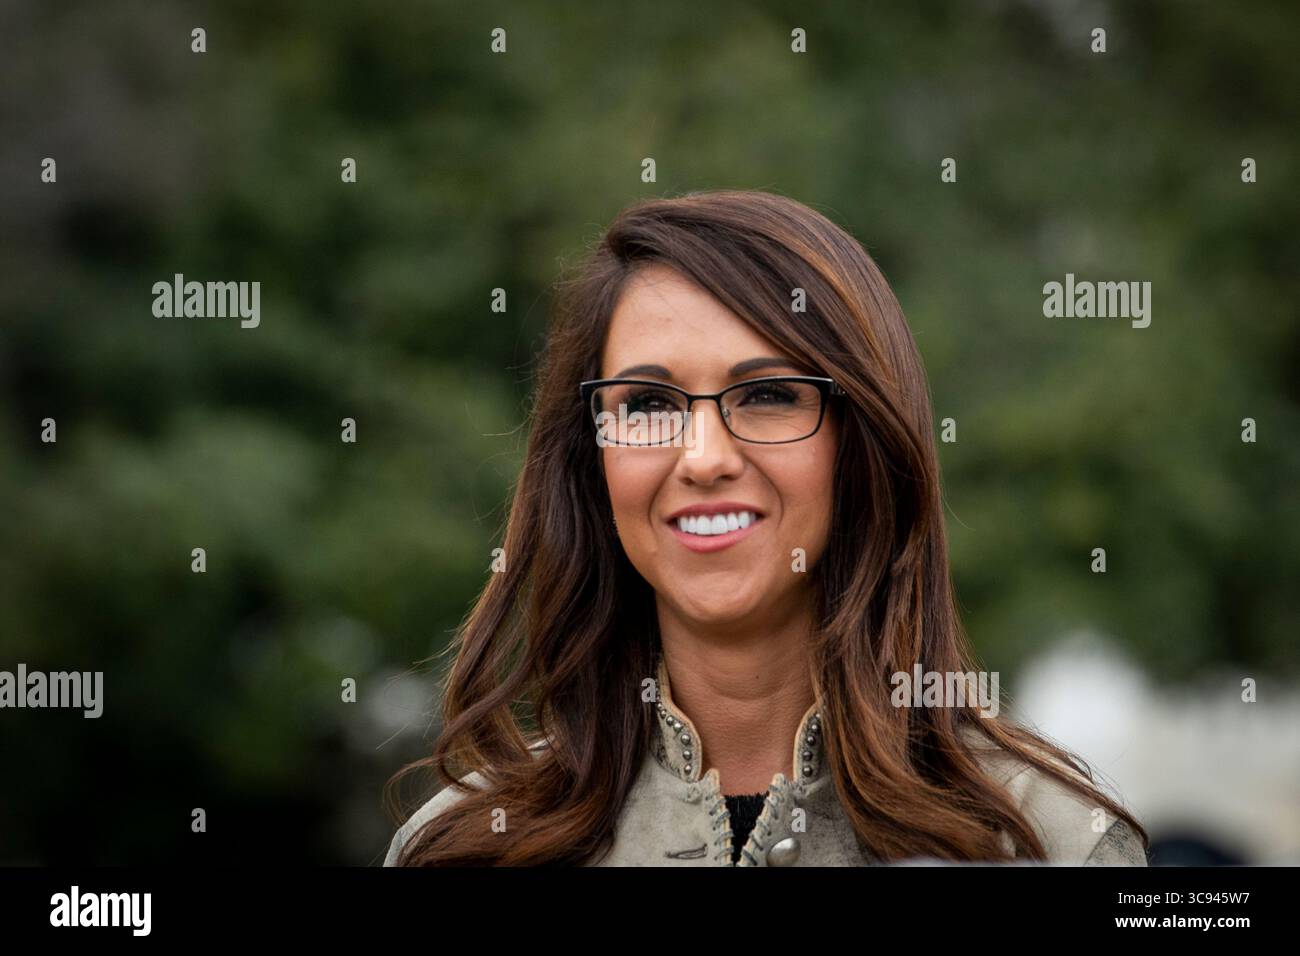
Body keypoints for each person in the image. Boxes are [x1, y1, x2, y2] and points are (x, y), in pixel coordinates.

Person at [383, 189, 1149, 867]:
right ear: (593, 459)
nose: (703, 457)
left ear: (863, 446)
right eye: (648, 404)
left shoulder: (1045, 842)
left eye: (770, 394)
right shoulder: (462, 847)